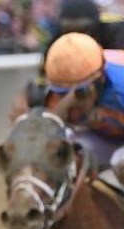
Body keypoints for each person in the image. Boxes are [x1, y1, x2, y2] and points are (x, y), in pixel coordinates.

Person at [14, 0, 124, 116]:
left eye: (82, 30)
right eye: (69, 31)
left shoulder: (116, 34)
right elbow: (43, 79)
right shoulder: (58, 43)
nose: (76, 37)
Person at [42, 32, 124, 170]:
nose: (75, 99)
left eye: (80, 92)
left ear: (101, 78)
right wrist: (67, 103)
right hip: (103, 138)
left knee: (120, 162)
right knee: (65, 152)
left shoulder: (120, 83)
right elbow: (47, 133)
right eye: (63, 93)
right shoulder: (57, 96)